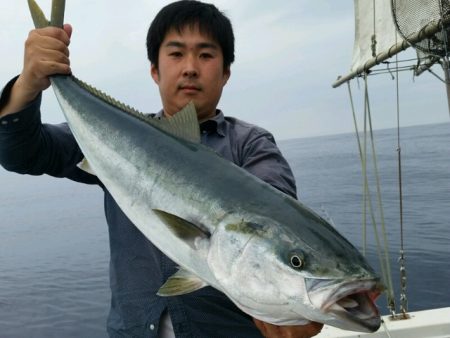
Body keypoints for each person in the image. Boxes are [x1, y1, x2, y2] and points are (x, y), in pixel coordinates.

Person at [0, 1, 323, 337]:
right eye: (176, 54)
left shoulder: (251, 144)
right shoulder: (116, 135)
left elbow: (275, 217)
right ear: (154, 70)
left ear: (226, 72)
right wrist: (28, 84)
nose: (190, 68)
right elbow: (22, 153)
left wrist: (281, 299)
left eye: (206, 55)